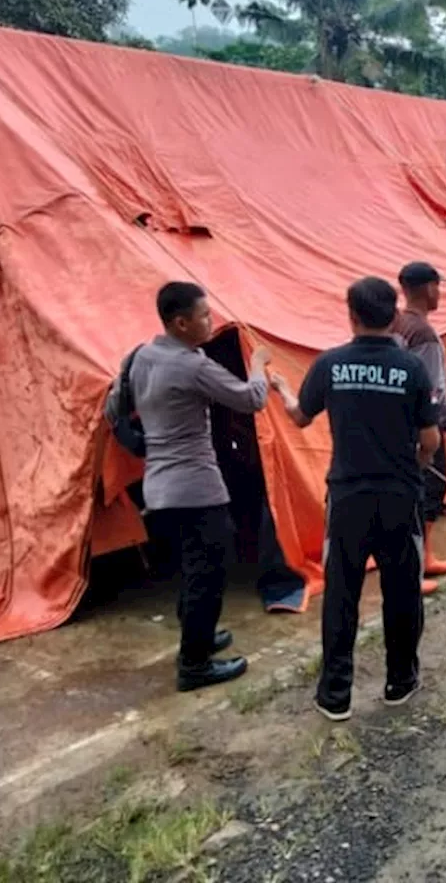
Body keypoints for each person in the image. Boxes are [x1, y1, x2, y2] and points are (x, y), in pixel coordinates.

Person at [272, 277, 441, 722]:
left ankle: (335, 695)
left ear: (351, 315)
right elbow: (430, 437)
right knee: (402, 591)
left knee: (342, 594)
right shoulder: (411, 369)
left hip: (348, 498)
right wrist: (419, 465)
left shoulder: (330, 365)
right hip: (400, 496)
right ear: (394, 316)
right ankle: (399, 681)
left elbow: (300, 417)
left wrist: (282, 389)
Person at [106, 281, 271, 692]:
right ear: (180, 323)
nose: (211, 323)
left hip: (160, 486)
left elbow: (114, 406)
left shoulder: (140, 356)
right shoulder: (192, 366)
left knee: (193, 569)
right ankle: (194, 665)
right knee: (209, 573)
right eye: (204, 316)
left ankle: (198, 636)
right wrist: (258, 364)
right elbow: (251, 399)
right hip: (195, 485)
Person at [393, 262, 446, 596]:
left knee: (419, 492)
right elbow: (431, 390)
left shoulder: (395, 323)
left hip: (398, 423)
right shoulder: (423, 334)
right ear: (428, 288)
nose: (439, 292)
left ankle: (422, 557)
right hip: (422, 426)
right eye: (438, 286)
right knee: (427, 491)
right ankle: (417, 564)